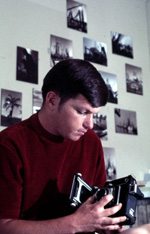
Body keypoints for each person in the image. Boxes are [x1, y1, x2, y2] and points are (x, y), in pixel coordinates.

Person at [0, 59, 149, 234]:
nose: (90, 125)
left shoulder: (91, 141)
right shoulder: (9, 144)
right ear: (52, 100)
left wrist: (104, 222)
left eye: (93, 114)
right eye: (82, 112)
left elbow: (93, 209)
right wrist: (75, 224)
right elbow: (3, 226)